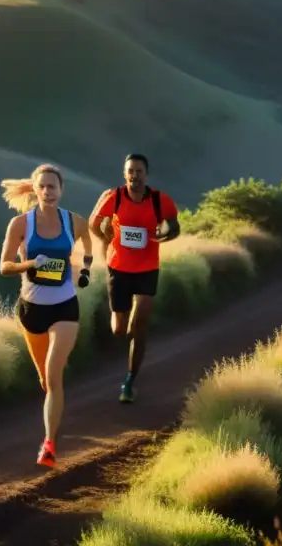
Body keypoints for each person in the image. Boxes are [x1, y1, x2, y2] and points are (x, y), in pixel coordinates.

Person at [0, 163, 93, 468]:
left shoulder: (73, 222)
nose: (48, 191)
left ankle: (49, 444)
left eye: (53, 187)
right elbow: (4, 266)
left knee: (54, 376)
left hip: (65, 306)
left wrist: (86, 270)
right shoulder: (19, 225)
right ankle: (53, 413)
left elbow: (89, 240)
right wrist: (30, 265)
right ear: (36, 190)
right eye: (43, 187)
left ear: (61, 190)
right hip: (31, 309)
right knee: (44, 380)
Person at [88, 153, 180, 404]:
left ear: (145, 174)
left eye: (139, 171)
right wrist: (105, 237)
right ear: (124, 174)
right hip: (118, 267)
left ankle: (129, 380)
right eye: (130, 171)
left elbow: (175, 225)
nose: (134, 175)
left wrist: (166, 235)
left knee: (139, 326)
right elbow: (93, 223)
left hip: (148, 269)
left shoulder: (161, 201)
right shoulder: (113, 197)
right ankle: (119, 338)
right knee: (120, 329)